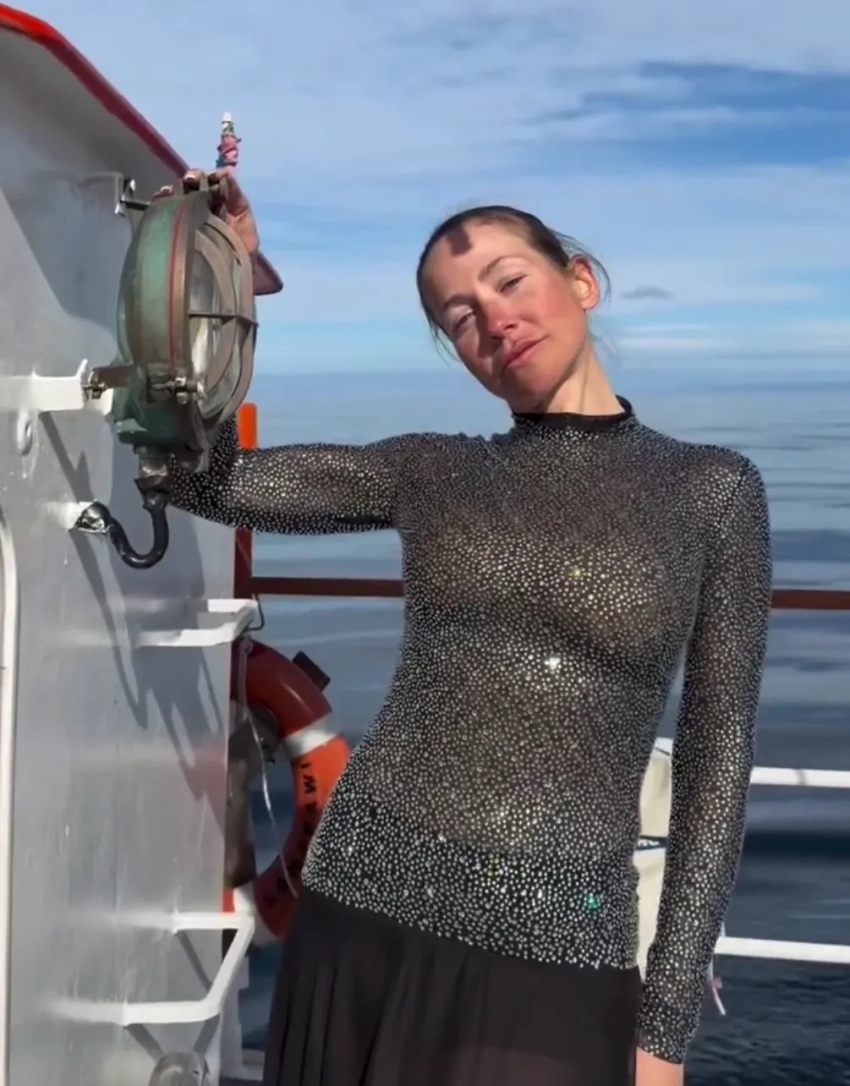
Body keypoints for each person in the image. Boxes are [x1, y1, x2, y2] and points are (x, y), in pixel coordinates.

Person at [163, 170, 772, 1086]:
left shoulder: (714, 491)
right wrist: (229, 285)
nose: (492, 318)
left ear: (580, 280)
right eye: (459, 316)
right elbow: (204, 480)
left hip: (560, 948)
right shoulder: (434, 472)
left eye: (509, 281)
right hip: (360, 914)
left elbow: (717, 757)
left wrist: (666, 1028)